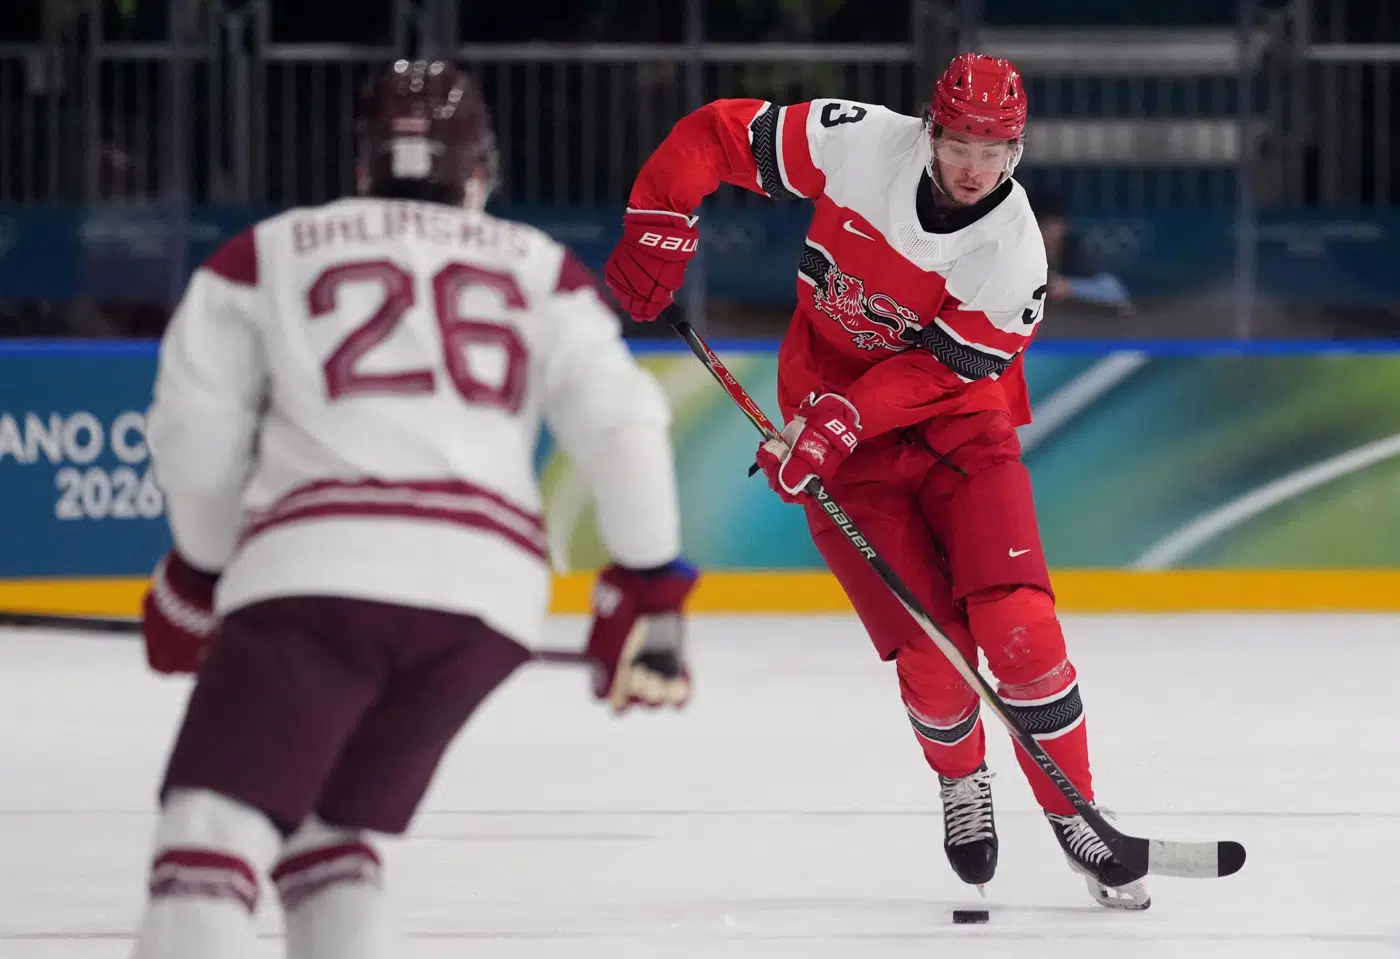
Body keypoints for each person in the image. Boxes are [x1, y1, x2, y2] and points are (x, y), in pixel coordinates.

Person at [130, 59, 698, 959]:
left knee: (211, 826)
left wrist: (198, 575)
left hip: (316, 573)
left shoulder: (265, 251)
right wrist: (648, 588)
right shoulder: (541, 265)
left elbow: (194, 433)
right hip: (488, 602)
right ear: (480, 172)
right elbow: (625, 429)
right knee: (327, 835)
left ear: (363, 167)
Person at [604, 52, 1148, 910]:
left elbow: (940, 373)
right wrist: (656, 218)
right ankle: (961, 779)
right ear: (929, 131)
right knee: (932, 657)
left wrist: (839, 423)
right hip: (835, 428)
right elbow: (716, 135)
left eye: (995, 150)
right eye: (960, 143)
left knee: (1020, 631)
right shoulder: (857, 144)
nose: (975, 167)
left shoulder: (1014, 255)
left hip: (956, 423)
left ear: (1019, 152)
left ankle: (1074, 807)